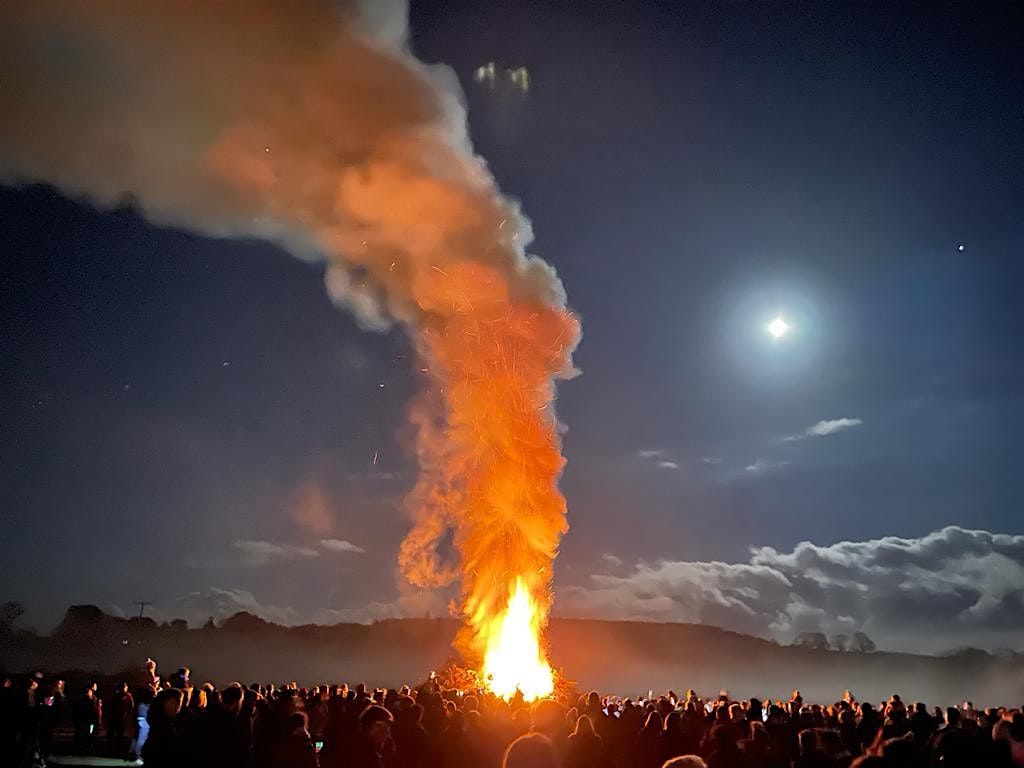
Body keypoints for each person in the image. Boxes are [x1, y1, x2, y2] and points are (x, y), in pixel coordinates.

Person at [141, 688, 184, 768]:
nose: (178, 706)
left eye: (180, 702)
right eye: (174, 702)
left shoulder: (168, 721)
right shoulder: (162, 724)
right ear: (164, 702)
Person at [107, 682, 134, 755]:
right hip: (115, 717)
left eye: (126, 687)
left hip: (121, 717)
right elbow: (110, 705)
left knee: (119, 733)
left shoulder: (128, 695)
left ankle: (116, 748)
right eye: (125, 687)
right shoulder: (116, 695)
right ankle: (110, 748)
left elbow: (131, 706)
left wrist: (128, 714)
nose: (126, 688)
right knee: (112, 733)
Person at [74, 682, 102, 752]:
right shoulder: (87, 697)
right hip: (88, 719)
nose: (96, 687)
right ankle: (85, 746)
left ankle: (87, 745)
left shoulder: (93, 698)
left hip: (90, 719)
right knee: (88, 732)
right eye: (95, 685)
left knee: (89, 732)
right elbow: (92, 708)